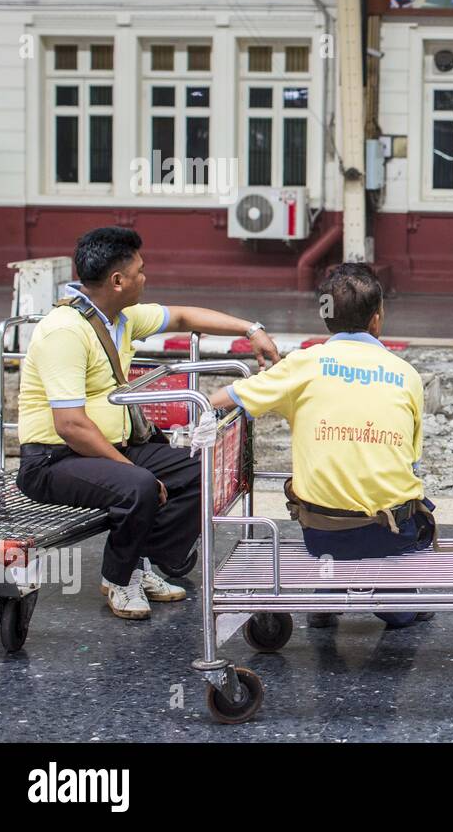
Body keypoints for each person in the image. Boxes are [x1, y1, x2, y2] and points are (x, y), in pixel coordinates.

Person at [16, 226, 281, 620]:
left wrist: (251, 329)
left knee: (201, 467)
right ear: (117, 281)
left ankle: (141, 558)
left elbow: (183, 316)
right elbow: (70, 424)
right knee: (138, 484)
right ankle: (118, 579)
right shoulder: (65, 332)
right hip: (53, 460)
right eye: (139, 271)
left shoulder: (118, 317)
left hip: (108, 449)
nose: (145, 277)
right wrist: (130, 469)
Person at [210, 263, 432, 630]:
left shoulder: (301, 365)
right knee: (407, 519)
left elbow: (224, 399)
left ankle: (328, 593)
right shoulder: (406, 373)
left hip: (321, 531)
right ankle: (396, 606)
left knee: (331, 508)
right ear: (377, 320)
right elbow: (412, 461)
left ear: (326, 317)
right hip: (390, 534)